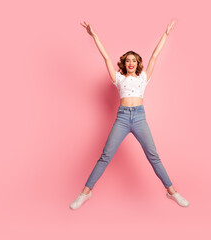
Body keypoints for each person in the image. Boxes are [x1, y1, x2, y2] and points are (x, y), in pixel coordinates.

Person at [70, 19, 189, 209]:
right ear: (124, 64)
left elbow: (155, 56)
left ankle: (172, 192)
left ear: (138, 63)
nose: (131, 63)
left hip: (140, 118)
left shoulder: (143, 78)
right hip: (123, 118)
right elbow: (107, 58)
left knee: (153, 156)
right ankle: (85, 193)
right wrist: (94, 36)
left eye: (134, 60)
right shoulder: (118, 78)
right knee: (105, 156)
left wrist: (165, 35)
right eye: (128, 60)